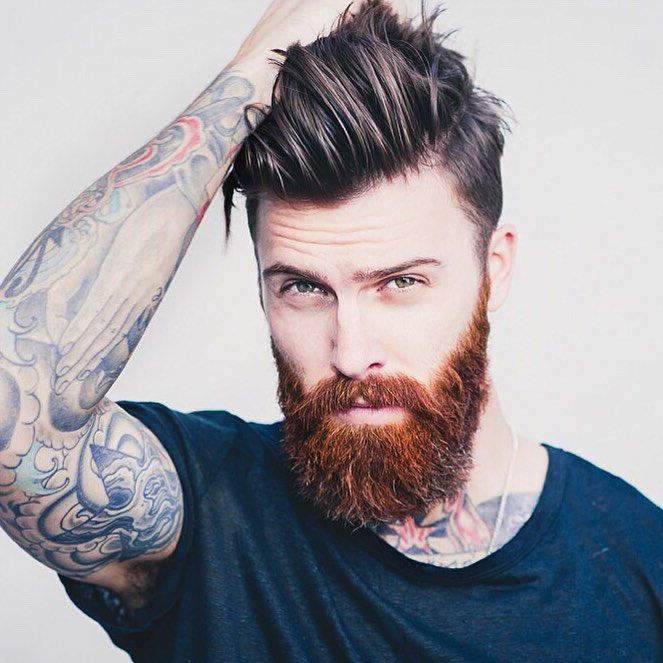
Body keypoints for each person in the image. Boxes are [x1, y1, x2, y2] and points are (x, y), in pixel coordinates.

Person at [0, 0, 660, 660]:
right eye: (305, 288)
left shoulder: (639, 562)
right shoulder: (210, 515)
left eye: (401, 282)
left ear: (494, 270)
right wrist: (256, 68)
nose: (351, 352)